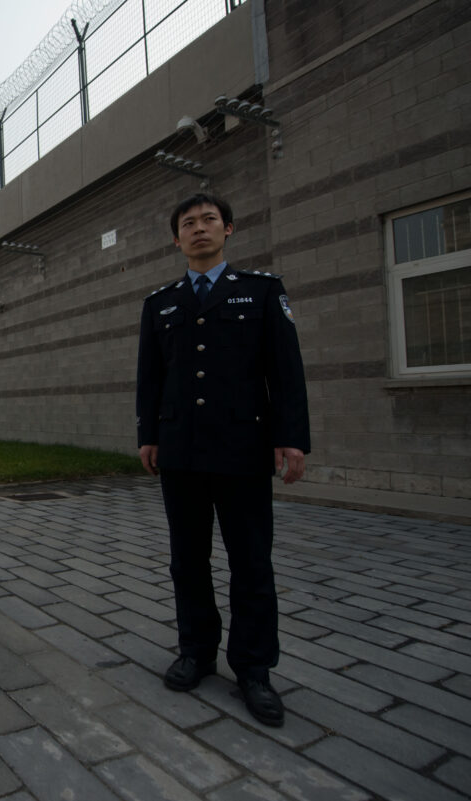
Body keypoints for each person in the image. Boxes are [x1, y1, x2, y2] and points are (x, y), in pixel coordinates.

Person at [135, 193, 309, 727]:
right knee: (187, 560)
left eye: (209, 219)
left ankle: (254, 669)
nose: (199, 228)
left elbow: (286, 372)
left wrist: (292, 438)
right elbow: (150, 378)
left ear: (228, 229)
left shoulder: (261, 291)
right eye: (188, 223)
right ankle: (197, 652)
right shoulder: (160, 304)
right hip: (181, 453)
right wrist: (148, 436)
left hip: (243, 451)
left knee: (251, 563)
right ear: (177, 239)